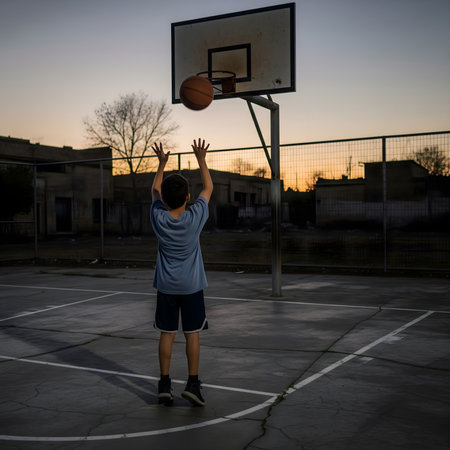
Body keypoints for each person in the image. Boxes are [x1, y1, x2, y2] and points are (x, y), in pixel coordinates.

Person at [150, 138, 213, 406]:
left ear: (163, 198)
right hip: (191, 286)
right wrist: (201, 159)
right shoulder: (195, 216)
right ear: (188, 198)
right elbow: (208, 187)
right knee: (192, 334)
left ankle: (164, 384)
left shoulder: (158, 216)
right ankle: (193, 384)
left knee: (166, 334)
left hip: (166, 286)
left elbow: (154, 190)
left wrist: (162, 163)